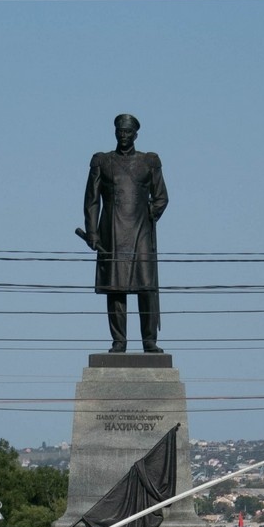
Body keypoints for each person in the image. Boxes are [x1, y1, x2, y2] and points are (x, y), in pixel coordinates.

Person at [81, 113, 169, 354]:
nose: (124, 135)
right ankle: (119, 341)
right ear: (115, 133)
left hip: (141, 232)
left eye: (128, 132)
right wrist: (92, 232)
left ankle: (149, 341)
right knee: (116, 288)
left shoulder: (149, 162)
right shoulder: (102, 161)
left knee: (146, 286)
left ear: (135, 135)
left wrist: (150, 212)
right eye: (120, 131)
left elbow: (161, 196)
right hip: (112, 232)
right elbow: (92, 200)